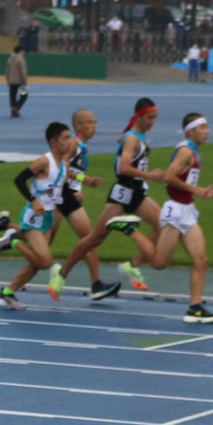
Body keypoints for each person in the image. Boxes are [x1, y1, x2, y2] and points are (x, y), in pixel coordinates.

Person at [46, 99, 154, 299]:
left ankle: (94, 283)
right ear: (78, 126)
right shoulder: (73, 145)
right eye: (90, 122)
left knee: (87, 239)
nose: (94, 127)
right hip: (59, 195)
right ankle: (11, 235)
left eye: (95, 122)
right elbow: (60, 167)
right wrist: (81, 182)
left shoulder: (82, 146)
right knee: (47, 246)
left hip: (67, 195)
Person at [0, 122, 74, 311]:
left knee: (36, 263)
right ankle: (13, 240)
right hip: (32, 217)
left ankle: (7, 293)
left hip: (47, 218)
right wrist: (33, 200)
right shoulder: (43, 162)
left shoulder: (64, 163)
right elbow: (19, 179)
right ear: (53, 142)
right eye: (65, 138)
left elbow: (57, 187)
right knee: (45, 262)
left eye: (70, 137)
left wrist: (75, 192)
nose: (70, 142)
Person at [152, 113, 213, 324]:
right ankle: (129, 230)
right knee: (159, 263)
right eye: (203, 127)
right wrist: (199, 190)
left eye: (207, 127)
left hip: (188, 210)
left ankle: (195, 308)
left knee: (201, 260)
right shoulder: (185, 151)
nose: (207, 131)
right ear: (190, 131)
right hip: (175, 211)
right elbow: (169, 177)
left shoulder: (193, 150)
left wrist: (197, 193)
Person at [5, 45, 28, 117]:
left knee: (12, 96)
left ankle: (13, 110)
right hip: (20, 81)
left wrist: (8, 79)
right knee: (24, 96)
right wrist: (24, 81)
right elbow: (23, 71)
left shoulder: (10, 58)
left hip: (11, 81)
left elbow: (7, 71)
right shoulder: (20, 59)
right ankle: (16, 108)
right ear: (20, 51)